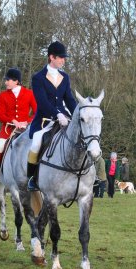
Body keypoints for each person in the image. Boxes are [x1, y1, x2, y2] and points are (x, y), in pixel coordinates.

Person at [27, 41, 77, 191]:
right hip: (44, 120)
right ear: (52, 57)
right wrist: (57, 114)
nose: (64, 60)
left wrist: (77, 115)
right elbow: (41, 102)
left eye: (64, 57)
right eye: (61, 57)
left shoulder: (65, 77)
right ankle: (32, 178)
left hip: (64, 117)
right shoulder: (38, 78)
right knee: (36, 142)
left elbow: (69, 99)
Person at [0, 68, 37, 189]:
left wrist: (27, 121)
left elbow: (37, 112)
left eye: (8, 80)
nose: (6, 82)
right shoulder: (3, 95)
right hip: (8, 129)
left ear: (16, 81)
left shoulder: (29, 93)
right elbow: (0, 115)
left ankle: (34, 177)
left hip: (26, 129)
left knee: (37, 146)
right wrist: (13, 121)